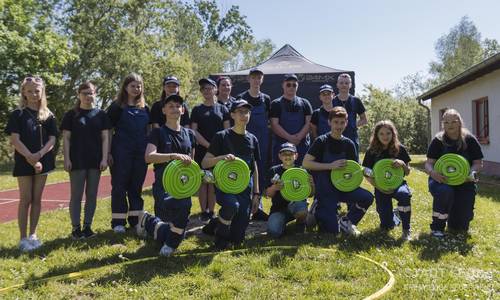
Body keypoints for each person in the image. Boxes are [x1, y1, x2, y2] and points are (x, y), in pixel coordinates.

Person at [5, 75, 58, 251]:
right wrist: (30, 157)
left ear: (42, 92)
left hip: (44, 161)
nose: (34, 94)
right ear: (24, 93)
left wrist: (40, 155)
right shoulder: (17, 114)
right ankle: (22, 239)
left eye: (37, 90)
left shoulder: (48, 115)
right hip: (24, 161)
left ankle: (33, 235)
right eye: (30, 91)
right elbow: (15, 139)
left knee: (37, 199)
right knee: (25, 199)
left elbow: (52, 139)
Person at [302, 106, 373, 236]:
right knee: (332, 231)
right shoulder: (321, 141)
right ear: (329, 122)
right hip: (325, 189)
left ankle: (347, 221)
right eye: (336, 122)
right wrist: (330, 165)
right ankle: (317, 208)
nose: (339, 126)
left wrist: (363, 172)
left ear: (346, 123)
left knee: (367, 197)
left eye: (342, 122)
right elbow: (306, 163)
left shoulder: (349, 144)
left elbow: (354, 169)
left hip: (343, 187)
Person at [141, 94, 196, 256]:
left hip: (183, 188)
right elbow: (148, 157)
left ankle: (155, 228)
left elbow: (191, 164)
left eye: (178, 106)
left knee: (181, 215)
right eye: (170, 106)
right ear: (164, 110)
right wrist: (173, 156)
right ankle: (153, 223)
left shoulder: (190, 135)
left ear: (183, 110)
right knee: (177, 230)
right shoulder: (157, 133)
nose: (174, 109)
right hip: (163, 189)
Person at [202, 99, 261, 250]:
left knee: (237, 240)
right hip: (225, 186)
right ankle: (220, 240)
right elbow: (205, 163)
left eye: (247, 112)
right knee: (231, 206)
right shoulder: (221, 136)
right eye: (240, 112)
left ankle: (215, 224)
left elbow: (254, 168)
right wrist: (221, 158)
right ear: (232, 115)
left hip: (245, 188)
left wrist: (256, 193)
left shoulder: (253, 139)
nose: (244, 115)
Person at [61, 81, 111, 239]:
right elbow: (66, 138)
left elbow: (105, 138)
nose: (88, 96)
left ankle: (87, 227)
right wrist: (67, 158)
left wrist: (104, 158)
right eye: (85, 93)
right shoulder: (71, 115)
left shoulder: (101, 115)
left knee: (91, 195)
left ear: (95, 94)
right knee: (76, 195)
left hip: (96, 161)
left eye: (91, 93)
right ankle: (76, 228)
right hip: (76, 161)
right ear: (79, 95)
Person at [424, 109, 483, 238]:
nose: (450, 125)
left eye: (453, 121)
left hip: (464, 182)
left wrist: (471, 173)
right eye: (446, 122)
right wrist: (433, 173)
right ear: (442, 124)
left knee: (460, 225)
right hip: (441, 181)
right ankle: (437, 227)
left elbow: (478, 163)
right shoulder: (438, 140)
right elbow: (428, 163)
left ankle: (455, 215)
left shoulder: (469, 139)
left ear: (459, 122)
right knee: (445, 191)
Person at [107, 73, 150, 233]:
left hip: (140, 152)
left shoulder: (145, 107)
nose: (136, 89)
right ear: (125, 87)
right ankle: (118, 222)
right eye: (133, 85)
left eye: (139, 86)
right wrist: (108, 153)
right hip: (120, 151)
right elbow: (108, 131)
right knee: (119, 186)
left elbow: (150, 130)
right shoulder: (116, 107)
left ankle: (135, 220)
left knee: (136, 186)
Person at [362, 120, 412, 240]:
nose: (385, 136)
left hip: (398, 184)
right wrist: (379, 187)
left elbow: (408, 171)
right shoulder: (372, 151)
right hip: (380, 187)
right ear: (376, 135)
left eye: (388, 133)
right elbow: (366, 172)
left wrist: (402, 164)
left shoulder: (400, 149)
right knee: (387, 226)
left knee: (404, 195)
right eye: (381, 134)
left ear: (393, 134)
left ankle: (406, 230)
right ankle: (395, 216)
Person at [191, 78, 230, 222]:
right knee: (203, 182)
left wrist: (218, 147)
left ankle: (212, 211)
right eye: (203, 89)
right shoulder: (196, 109)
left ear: (215, 89)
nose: (207, 91)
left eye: (209, 88)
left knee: (213, 181)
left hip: (218, 152)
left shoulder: (223, 109)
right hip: (202, 151)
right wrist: (208, 145)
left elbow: (227, 131)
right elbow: (194, 131)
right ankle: (203, 211)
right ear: (201, 92)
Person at [237, 68, 271, 221]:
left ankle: (259, 206)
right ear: (248, 79)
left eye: (259, 78)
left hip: (262, 141)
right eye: (254, 78)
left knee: (260, 171)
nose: (256, 80)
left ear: (262, 80)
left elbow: (269, 121)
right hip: (245, 140)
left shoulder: (266, 99)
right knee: (245, 172)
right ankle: (243, 206)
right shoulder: (241, 98)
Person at [266, 143, 311, 238]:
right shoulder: (274, 171)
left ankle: (301, 223)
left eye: (290, 154)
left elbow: (311, 194)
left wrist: (312, 185)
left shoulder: (302, 171)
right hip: (278, 209)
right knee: (273, 232)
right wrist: (274, 188)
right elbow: (268, 194)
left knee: (302, 208)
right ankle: (281, 223)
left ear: (296, 156)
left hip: (296, 205)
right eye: (284, 154)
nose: (287, 156)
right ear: (279, 156)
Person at [270, 74, 312, 166]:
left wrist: (298, 137)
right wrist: (290, 138)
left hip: (302, 146)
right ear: (283, 85)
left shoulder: (305, 103)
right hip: (282, 147)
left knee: (302, 174)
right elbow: (274, 125)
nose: (291, 87)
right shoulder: (276, 104)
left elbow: (309, 123)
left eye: (294, 85)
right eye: (288, 84)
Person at [332, 73, 367, 159]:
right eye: (341, 83)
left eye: (346, 83)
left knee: (353, 163)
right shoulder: (332, 101)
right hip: (335, 137)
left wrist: (353, 125)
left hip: (352, 137)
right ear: (337, 85)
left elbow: (364, 120)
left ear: (350, 85)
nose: (344, 85)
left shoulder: (356, 100)